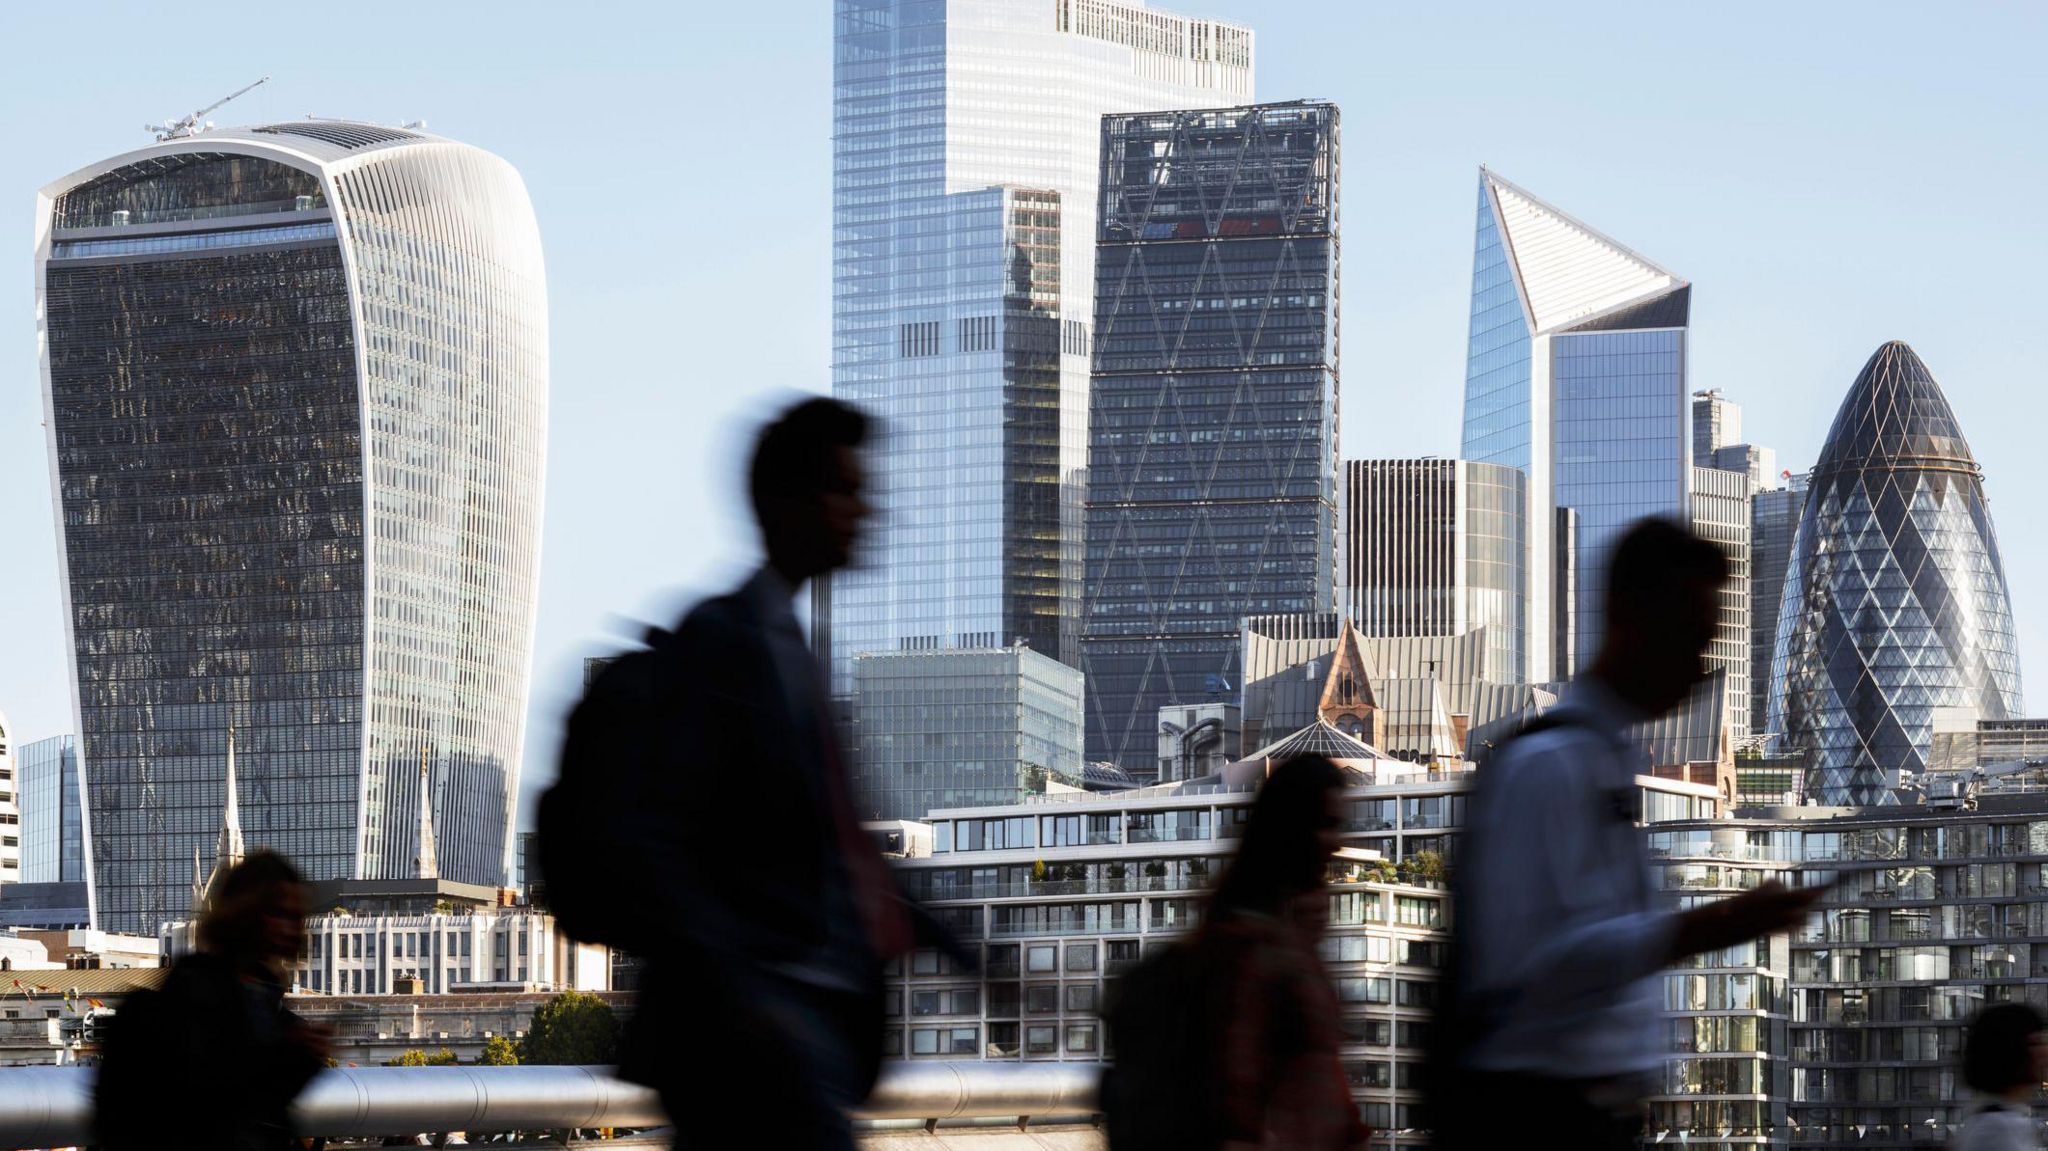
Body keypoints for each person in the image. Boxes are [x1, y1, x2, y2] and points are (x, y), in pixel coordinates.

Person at [615, 397, 953, 1150]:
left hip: (800, 1042)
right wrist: (741, 992)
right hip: (749, 1050)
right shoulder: (723, 642)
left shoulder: (790, 651)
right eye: (845, 488)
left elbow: (844, 853)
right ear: (784, 504)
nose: (867, 509)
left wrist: (965, 950)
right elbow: (660, 839)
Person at [1433, 518, 1828, 1150]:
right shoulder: (1548, 767)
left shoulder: (1608, 761)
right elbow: (1527, 967)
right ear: (1628, 615)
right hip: (1537, 1119)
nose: (1699, 668)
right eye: (1689, 638)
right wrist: (1710, 928)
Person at [1104, 755, 1369, 1151]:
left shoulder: (1279, 937)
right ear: (1293, 828)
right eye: (1327, 825)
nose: (1337, 842)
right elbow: (1238, 1086)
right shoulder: (1253, 949)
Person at [95, 850, 329, 1151]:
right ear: (245, 913)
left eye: (297, 917)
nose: (291, 928)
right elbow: (213, 1107)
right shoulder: (179, 1009)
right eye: (279, 913)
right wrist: (290, 1062)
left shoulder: (273, 1014)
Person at [1954, 1002, 2048, 1150]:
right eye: (2035, 1043)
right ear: (2011, 1052)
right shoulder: (1996, 1130)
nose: (2045, 1052)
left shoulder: (2002, 1121)